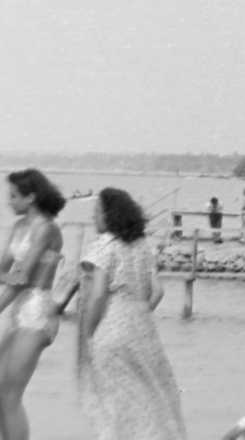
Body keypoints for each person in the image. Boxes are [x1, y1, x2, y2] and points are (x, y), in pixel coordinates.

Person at [77, 187, 187, 440]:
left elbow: (98, 293)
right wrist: (138, 313)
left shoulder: (105, 245)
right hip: (142, 330)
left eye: (97, 211)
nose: (93, 217)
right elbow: (158, 291)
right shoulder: (142, 245)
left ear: (110, 215)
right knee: (148, 400)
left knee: (113, 404)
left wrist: (88, 333)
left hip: (110, 328)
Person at [0, 169, 67, 440]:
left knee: (10, 396)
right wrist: (9, 277)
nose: (8, 201)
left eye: (14, 196)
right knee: (1, 394)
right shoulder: (19, 227)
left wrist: (10, 279)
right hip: (19, 312)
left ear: (30, 197)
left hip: (38, 313)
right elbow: (6, 272)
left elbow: (23, 277)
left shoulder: (46, 228)